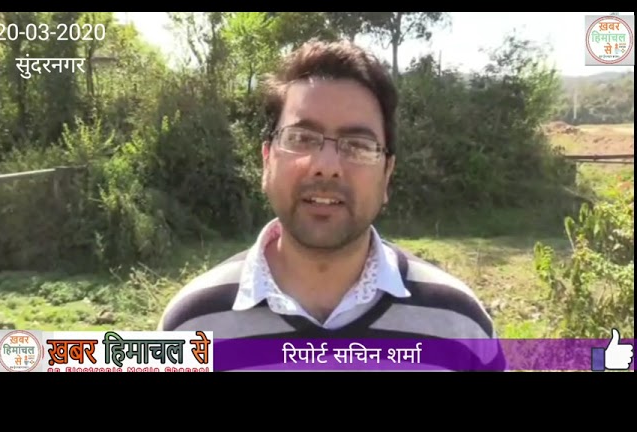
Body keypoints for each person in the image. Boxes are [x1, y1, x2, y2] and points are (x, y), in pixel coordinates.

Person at [158, 39, 506, 370]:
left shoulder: (462, 326)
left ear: (387, 174)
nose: (327, 166)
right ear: (267, 160)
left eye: (357, 145)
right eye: (301, 138)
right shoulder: (188, 325)